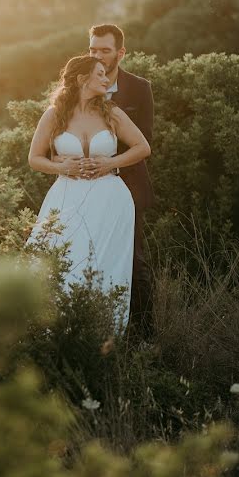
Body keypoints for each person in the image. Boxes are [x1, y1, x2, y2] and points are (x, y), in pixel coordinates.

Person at [27, 55, 151, 333]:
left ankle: (105, 336)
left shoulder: (112, 112)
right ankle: (56, 332)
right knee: (61, 260)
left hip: (111, 199)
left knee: (106, 265)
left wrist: (111, 162)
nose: (107, 79)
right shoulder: (54, 114)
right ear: (83, 79)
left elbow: (142, 148)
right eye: (100, 74)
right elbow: (34, 158)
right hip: (66, 197)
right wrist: (62, 167)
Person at [55, 24, 156, 342]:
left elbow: (145, 141)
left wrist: (107, 166)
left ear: (120, 53)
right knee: (76, 255)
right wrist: (72, 165)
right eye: (93, 49)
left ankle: (140, 338)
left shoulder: (139, 89)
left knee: (132, 260)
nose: (97, 55)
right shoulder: (71, 95)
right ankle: (79, 330)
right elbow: (47, 149)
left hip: (125, 187)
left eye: (105, 50)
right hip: (78, 189)